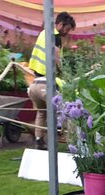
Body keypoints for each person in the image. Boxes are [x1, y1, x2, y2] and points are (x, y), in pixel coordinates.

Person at [25, 11, 76, 150]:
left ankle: (39, 141)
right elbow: (56, 55)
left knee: (42, 112)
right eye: (67, 29)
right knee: (66, 110)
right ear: (60, 24)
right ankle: (71, 141)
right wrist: (63, 71)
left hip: (35, 83)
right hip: (47, 83)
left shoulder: (44, 33)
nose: (67, 32)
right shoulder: (55, 36)